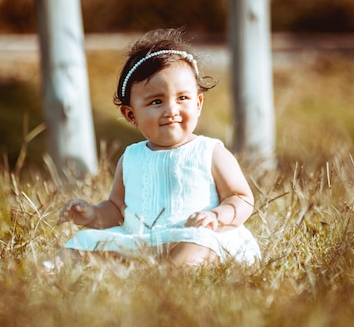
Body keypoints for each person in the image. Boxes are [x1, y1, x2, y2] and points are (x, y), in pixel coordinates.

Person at [46, 28, 260, 269]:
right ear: (130, 115)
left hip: (194, 236)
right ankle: (51, 271)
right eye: (156, 102)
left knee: (197, 248)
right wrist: (93, 215)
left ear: (198, 103)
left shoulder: (209, 151)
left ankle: (170, 274)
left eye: (182, 98)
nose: (171, 110)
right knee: (83, 242)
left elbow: (241, 197)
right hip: (141, 242)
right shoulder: (132, 157)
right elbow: (117, 209)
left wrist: (217, 216)